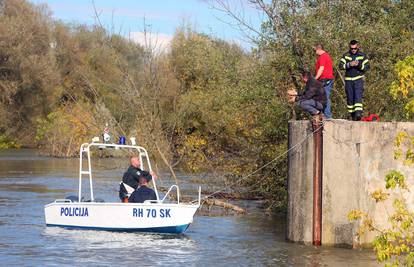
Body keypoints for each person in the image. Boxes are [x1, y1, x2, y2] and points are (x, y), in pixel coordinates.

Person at [338, 40, 370, 121]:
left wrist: (358, 65)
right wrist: (349, 64)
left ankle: (358, 114)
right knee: (350, 98)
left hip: (358, 79)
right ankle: (353, 116)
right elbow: (341, 66)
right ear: (349, 47)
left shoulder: (362, 55)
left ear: (358, 47)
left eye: (355, 48)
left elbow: (367, 67)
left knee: (358, 96)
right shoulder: (346, 55)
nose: (353, 50)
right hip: (348, 80)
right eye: (352, 48)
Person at [314, 44, 334, 119]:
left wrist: (315, 79)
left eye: (315, 50)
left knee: (325, 97)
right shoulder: (326, 56)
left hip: (325, 79)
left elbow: (321, 69)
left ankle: (327, 116)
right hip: (325, 79)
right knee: (322, 97)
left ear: (318, 49)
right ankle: (323, 114)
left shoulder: (323, 57)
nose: (315, 52)